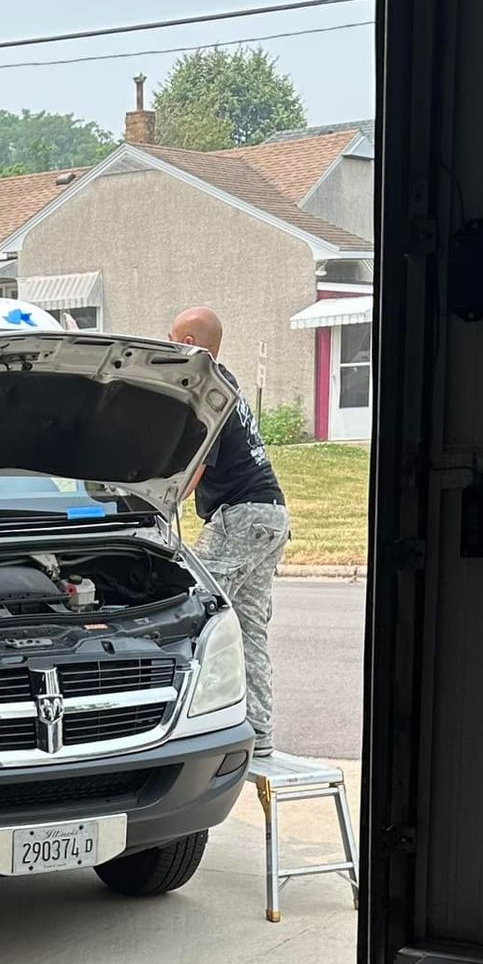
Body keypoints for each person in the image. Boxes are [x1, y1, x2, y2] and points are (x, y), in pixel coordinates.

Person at [167, 306, 290, 758]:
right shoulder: (228, 381)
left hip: (239, 517)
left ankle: (183, 732)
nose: (168, 340)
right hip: (272, 515)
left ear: (191, 343)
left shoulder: (209, 391)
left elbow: (195, 468)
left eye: (175, 335)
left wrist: (158, 502)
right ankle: (260, 734)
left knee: (190, 609)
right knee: (249, 628)